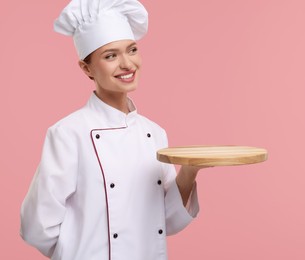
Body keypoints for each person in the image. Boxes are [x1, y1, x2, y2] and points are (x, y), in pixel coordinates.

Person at [20, 0, 201, 259]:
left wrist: (190, 170)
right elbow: (36, 227)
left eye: (132, 50)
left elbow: (167, 222)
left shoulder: (155, 134)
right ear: (87, 68)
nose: (127, 64)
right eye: (110, 55)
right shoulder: (68, 133)